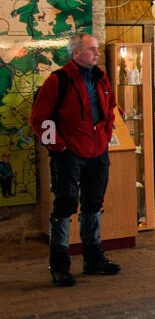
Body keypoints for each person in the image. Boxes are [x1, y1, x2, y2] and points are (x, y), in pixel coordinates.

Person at [29, 33, 121, 285]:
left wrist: (104, 135)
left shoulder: (101, 78)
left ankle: (93, 258)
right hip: (69, 155)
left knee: (93, 203)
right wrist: (59, 146)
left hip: (97, 152)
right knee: (65, 205)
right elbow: (40, 118)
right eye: (91, 49)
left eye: (96, 49)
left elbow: (111, 108)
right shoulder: (58, 81)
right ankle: (59, 265)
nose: (96, 53)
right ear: (76, 52)